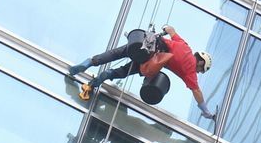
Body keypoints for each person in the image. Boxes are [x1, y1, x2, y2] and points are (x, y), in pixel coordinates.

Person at [70, 25, 217, 120]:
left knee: (116, 53)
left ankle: (90, 62)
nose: (198, 72)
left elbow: (171, 30)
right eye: (201, 69)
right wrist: (205, 110)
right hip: (151, 59)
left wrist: (165, 28)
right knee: (125, 71)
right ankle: (107, 74)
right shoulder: (190, 70)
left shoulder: (185, 46)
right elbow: (196, 91)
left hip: (147, 42)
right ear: (201, 62)